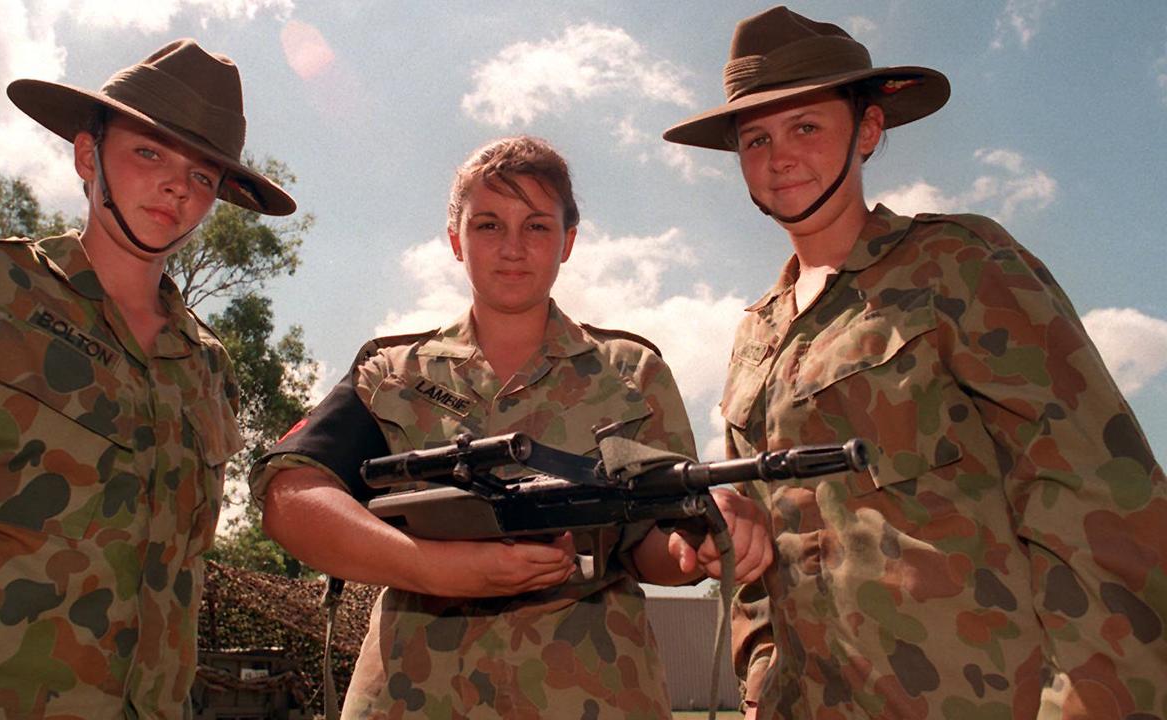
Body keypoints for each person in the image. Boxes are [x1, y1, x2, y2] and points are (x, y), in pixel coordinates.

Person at [662, 7, 1166, 719]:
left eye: (806, 126)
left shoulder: (960, 263)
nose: (779, 157)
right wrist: (759, 678)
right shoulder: (756, 335)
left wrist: (1095, 703)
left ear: (868, 131)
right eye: (756, 139)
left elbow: (1092, 491)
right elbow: (757, 551)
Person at [252, 135, 771, 718]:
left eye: (537, 227)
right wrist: (440, 569)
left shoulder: (631, 375)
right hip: (414, 698)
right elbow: (290, 496)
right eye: (489, 226)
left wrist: (694, 547)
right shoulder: (391, 374)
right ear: (456, 240)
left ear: (568, 242)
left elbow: (651, 543)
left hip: (592, 695)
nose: (513, 248)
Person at [0, 40, 296, 717]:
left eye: (202, 176)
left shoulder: (206, 366)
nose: (176, 186)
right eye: (149, 153)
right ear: (87, 156)